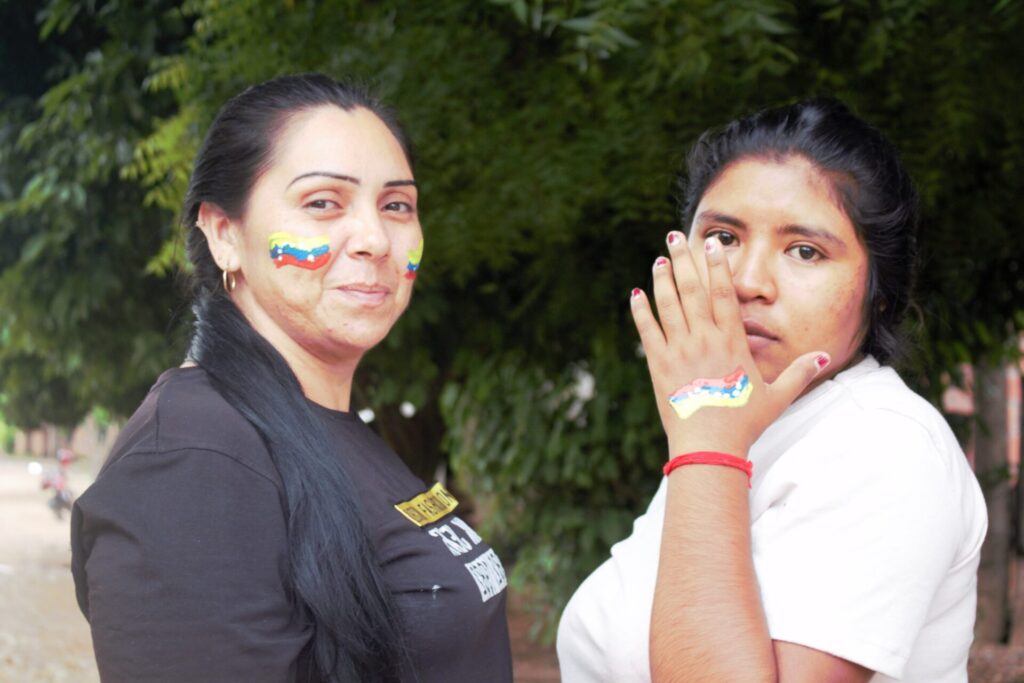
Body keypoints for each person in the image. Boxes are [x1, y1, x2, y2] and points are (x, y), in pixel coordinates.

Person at [70, 73, 512, 683]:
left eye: (396, 205)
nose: (375, 239)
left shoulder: (332, 429)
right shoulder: (191, 458)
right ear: (225, 234)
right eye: (322, 203)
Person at [557, 98, 986, 682]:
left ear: (878, 290)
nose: (746, 282)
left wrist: (706, 443)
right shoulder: (746, 424)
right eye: (722, 238)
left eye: (804, 251)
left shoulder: (886, 446)